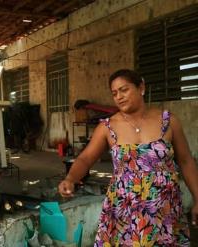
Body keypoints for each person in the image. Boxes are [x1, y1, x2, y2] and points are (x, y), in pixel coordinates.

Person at [58, 69, 198, 246]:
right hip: (124, 212)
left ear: (141, 87)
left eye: (124, 90)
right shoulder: (107, 127)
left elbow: (186, 161)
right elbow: (85, 158)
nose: (119, 97)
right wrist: (70, 178)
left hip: (164, 211)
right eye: (114, 93)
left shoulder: (168, 121)